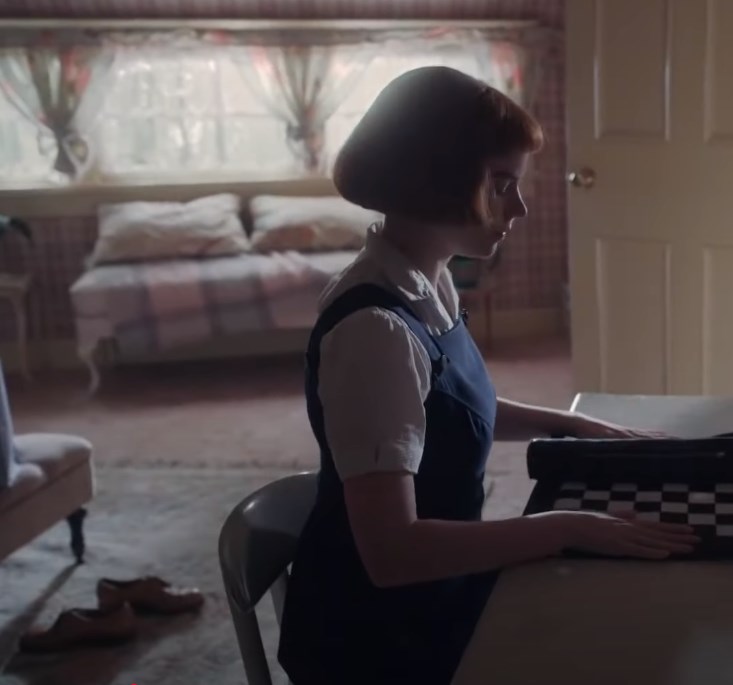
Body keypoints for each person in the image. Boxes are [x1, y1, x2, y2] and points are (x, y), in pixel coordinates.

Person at [276, 67, 700, 685]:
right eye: (501, 184)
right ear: (436, 180)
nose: (519, 207)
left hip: (433, 590)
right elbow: (392, 555)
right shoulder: (375, 332)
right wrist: (563, 528)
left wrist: (574, 424)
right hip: (377, 638)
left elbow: (447, 408)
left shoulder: (427, 280)